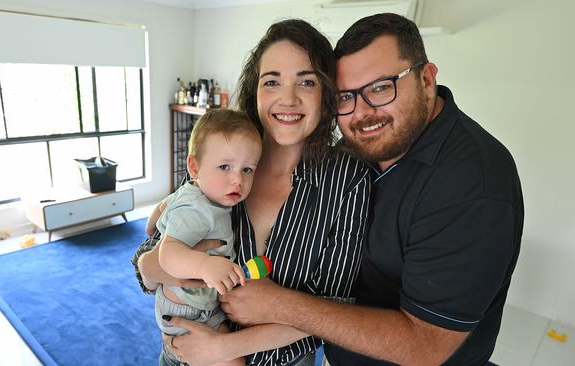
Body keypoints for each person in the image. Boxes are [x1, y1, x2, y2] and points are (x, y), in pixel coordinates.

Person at [215, 13, 524, 366]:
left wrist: (275, 306)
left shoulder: (473, 185)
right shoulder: (365, 151)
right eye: (346, 96)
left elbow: (426, 346)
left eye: (380, 87)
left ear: (426, 80)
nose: (363, 113)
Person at [134, 19, 371, 366]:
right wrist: (157, 264)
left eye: (306, 81)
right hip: (184, 353)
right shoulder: (224, 155)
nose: (287, 98)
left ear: (326, 94)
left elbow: (337, 308)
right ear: (255, 91)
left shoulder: (348, 179)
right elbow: (145, 262)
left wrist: (226, 349)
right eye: (271, 81)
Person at [145, 108, 262, 366]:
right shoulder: (197, 209)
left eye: (248, 169)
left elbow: (160, 210)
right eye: (224, 167)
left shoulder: (194, 192)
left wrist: (153, 224)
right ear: (194, 166)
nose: (237, 180)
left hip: (200, 303)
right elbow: (167, 254)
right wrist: (205, 265)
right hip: (187, 310)